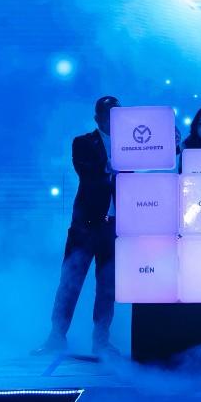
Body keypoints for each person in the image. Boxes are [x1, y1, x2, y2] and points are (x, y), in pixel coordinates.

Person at [37, 96, 120, 358]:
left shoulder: (132, 143)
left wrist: (171, 146)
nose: (111, 119)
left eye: (116, 113)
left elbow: (151, 164)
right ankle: (56, 337)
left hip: (114, 226)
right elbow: (87, 173)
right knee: (70, 282)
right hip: (85, 226)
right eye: (106, 114)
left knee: (107, 286)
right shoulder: (83, 142)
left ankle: (101, 342)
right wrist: (108, 166)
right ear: (97, 118)